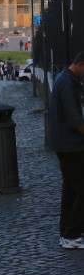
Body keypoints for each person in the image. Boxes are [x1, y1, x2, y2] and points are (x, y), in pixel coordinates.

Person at [48, 51, 84, 249]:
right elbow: (75, 121)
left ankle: (67, 232)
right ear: (81, 64)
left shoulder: (63, 78)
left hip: (64, 143)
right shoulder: (68, 84)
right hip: (71, 145)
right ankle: (72, 233)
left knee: (70, 189)